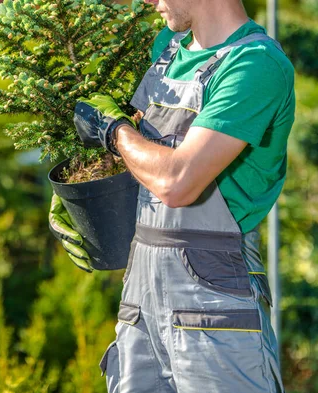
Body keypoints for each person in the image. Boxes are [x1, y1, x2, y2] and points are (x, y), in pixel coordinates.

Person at [48, 0, 295, 392]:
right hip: (141, 290)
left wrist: (113, 132)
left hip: (215, 296)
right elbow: (143, 155)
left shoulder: (254, 64)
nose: (148, 1)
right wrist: (82, 190)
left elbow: (178, 181)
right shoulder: (168, 48)